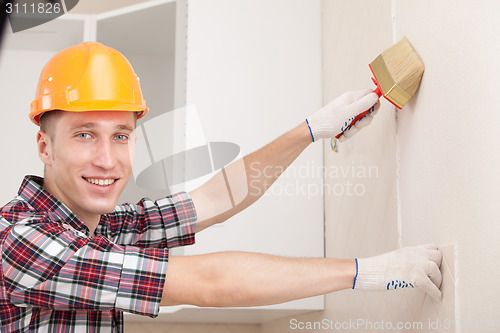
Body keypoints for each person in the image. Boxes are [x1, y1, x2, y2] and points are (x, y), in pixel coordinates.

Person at [0, 42, 442, 332]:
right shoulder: (21, 241)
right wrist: (364, 272)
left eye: (120, 135)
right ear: (45, 145)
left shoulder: (103, 227)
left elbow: (215, 198)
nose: (107, 159)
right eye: (83, 134)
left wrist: (311, 129)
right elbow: (209, 281)